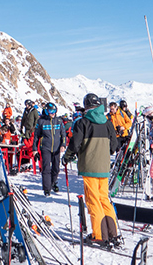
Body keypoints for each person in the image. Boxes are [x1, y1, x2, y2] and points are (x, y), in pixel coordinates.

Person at [62, 93, 120, 246]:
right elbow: (114, 146)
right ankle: (112, 233)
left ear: (86, 105)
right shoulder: (107, 122)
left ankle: (99, 235)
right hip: (104, 167)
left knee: (93, 200)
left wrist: (67, 157)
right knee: (104, 199)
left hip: (89, 167)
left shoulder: (83, 122)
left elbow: (75, 144)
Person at [33, 102, 65, 196]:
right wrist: (35, 149)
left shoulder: (59, 121)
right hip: (45, 147)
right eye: (51, 111)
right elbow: (36, 136)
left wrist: (63, 144)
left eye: (54, 111)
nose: (53, 113)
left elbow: (63, 134)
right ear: (46, 111)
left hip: (56, 148)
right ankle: (47, 189)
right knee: (46, 168)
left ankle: (53, 182)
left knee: (56, 168)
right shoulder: (41, 121)